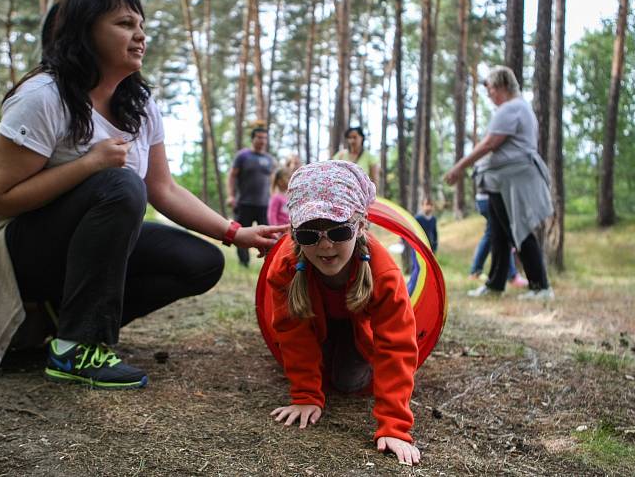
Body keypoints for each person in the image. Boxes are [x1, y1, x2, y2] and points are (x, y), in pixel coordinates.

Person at [0, 0, 286, 389]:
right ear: (85, 32)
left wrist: (234, 233)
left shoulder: (140, 105)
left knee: (200, 262)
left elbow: (163, 188)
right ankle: (79, 346)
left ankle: (62, 319)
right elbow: (0, 198)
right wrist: (89, 164)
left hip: (81, 246)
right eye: (125, 24)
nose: (140, 35)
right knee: (120, 184)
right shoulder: (43, 96)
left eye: (141, 25)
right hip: (15, 247)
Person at [267, 160, 422, 466]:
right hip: (314, 323)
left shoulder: (383, 273)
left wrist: (394, 426)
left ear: (361, 225)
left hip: (357, 330)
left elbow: (397, 345)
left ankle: (341, 358)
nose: (325, 246)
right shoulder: (286, 265)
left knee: (347, 383)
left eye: (338, 231)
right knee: (317, 371)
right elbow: (291, 330)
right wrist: (306, 395)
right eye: (310, 234)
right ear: (295, 233)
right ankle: (321, 367)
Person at [444, 65, 554, 300]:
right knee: (498, 234)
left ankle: (540, 286)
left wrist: (459, 167)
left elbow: (489, 144)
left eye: (491, 88)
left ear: (503, 86)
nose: (489, 94)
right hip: (499, 183)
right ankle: (495, 284)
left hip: (512, 183)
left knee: (519, 230)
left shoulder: (512, 108)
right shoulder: (516, 108)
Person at [227, 126, 276, 267]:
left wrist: (274, 198)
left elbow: (273, 181)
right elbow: (232, 176)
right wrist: (231, 195)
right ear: (253, 138)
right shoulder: (243, 156)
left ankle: (270, 263)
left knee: (269, 235)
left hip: (264, 205)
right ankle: (244, 263)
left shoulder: (269, 159)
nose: (262, 140)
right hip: (244, 203)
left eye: (265, 138)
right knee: (240, 234)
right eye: (259, 137)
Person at [469, 188, 528, 287]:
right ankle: (512, 276)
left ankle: (475, 271)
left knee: (491, 235)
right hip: (490, 198)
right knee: (502, 235)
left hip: (484, 198)